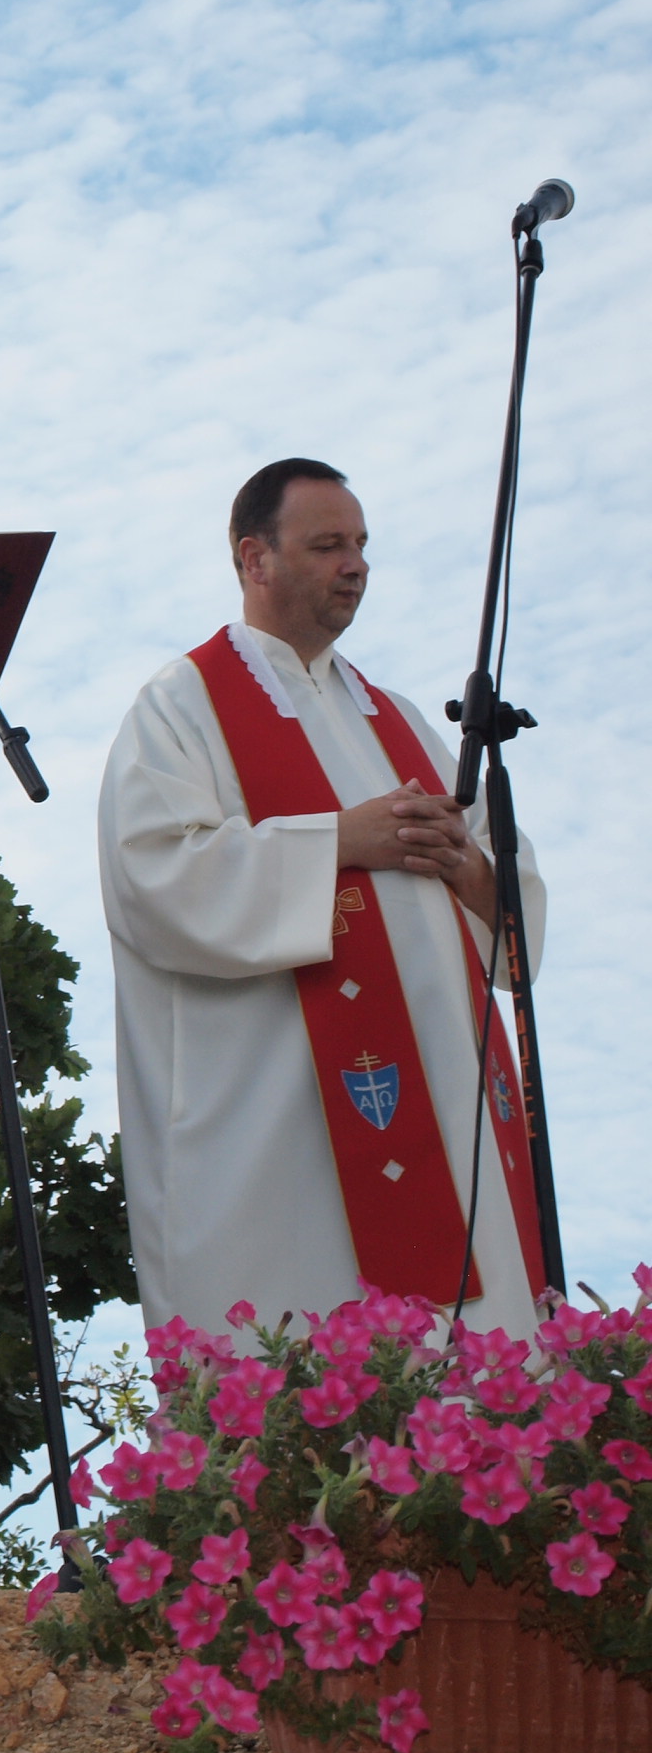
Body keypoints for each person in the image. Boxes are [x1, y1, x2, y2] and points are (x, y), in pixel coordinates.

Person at [98, 458, 547, 1342]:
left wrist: (462, 865)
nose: (355, 565)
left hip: (454, 1134)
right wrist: (345, 838)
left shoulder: (406, 721)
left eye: (361, 545)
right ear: (253, 559)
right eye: (328, 545)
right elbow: (155, 879)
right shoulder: (181, 706)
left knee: (471, 1395)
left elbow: (512, 908)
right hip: (284, 1146)